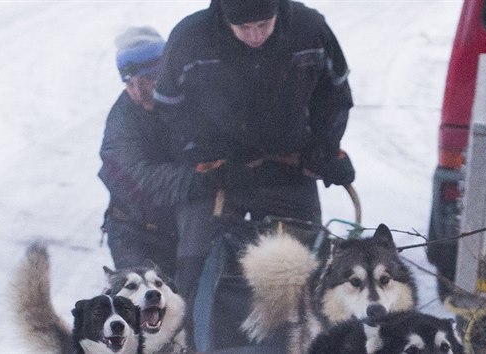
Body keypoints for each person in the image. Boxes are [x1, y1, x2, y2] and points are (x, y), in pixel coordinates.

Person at [152, 0, 355, 351]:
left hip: (288, 167)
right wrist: (207, 155)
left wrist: (324, 149)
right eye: (244, 28)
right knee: (196, 266)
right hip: (220, 173)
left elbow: (335, 94)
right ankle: (190, 344)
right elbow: (170, 109)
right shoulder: (191, 37)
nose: (255, 35)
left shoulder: (309, 29)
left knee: (306, 267)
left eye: (264, 24)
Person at [98, 26, 189, 278]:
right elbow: (128, 175)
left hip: (187, 230)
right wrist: (194, 179)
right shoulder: (123, 118)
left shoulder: (192, 101)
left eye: (148, 79)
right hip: (135, 233)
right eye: (130, 83)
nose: (139, 93)